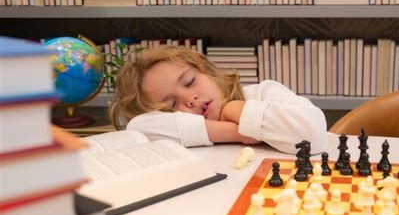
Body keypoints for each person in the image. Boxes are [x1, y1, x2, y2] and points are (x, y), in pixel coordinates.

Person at [110, 46, 328, 154]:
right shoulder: (174, 128)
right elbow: (139, 127)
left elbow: (313, 136)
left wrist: (236, 109)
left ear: (205, 70)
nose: (190, 99)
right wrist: (237, 133)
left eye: (189, 82)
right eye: (172, 104)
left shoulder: (263, 93)